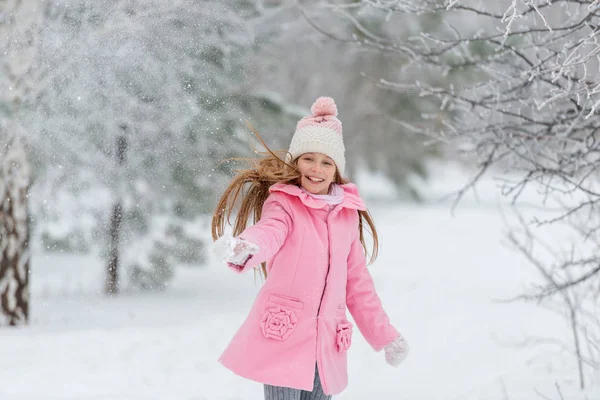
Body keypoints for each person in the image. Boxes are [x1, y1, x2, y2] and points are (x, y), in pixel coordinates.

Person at [212, 97, 409, 399]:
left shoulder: (345, 215)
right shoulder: (284, 204)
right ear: (296, 162)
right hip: (285, 336)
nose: (316, 169)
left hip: (326, 344)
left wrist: (385, 336)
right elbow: (269, 233)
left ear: (336, 170)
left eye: (326, 162)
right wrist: (245, 248)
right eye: (308, 158)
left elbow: (358, 286)